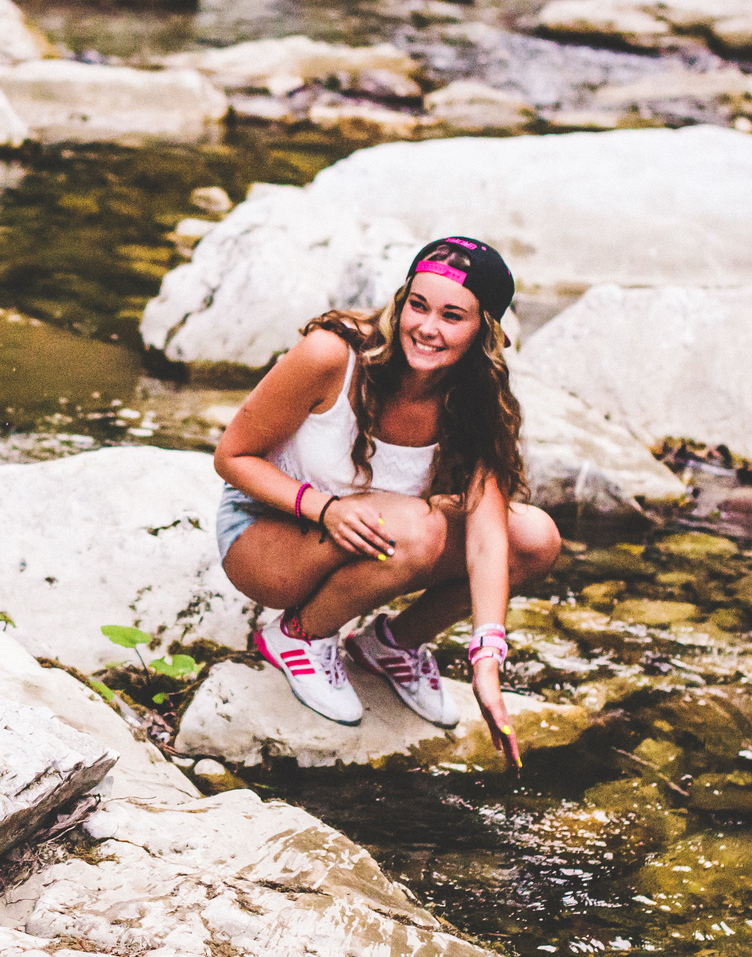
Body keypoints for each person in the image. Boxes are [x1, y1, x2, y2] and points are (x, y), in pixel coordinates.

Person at [212, 235, 559, 765]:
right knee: (419, 528)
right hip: (266, 535)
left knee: (534, 539)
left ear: (484, 330)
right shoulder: (333, 355)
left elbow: (489, 541)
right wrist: (323, 507)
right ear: (400, 301)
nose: (427, 327)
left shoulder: (476, 398)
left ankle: (389, 646)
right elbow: (232, 457)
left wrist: (486, 660)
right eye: (417, 305)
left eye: (452, 315)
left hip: (372, 530)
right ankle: (297, 636)